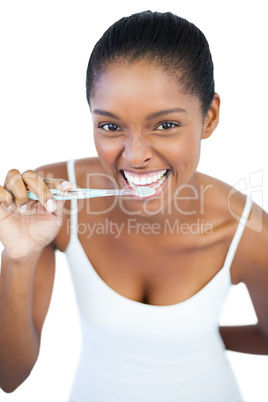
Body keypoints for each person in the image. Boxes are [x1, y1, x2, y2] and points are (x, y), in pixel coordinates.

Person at [0, 10, 267, 402]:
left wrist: (194, 339)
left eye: (165, 125)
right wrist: (18, 256)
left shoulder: (248, 230)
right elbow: (9, 377)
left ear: (208, 117)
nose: (135, 156)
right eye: (110, 126)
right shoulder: (53, 202)